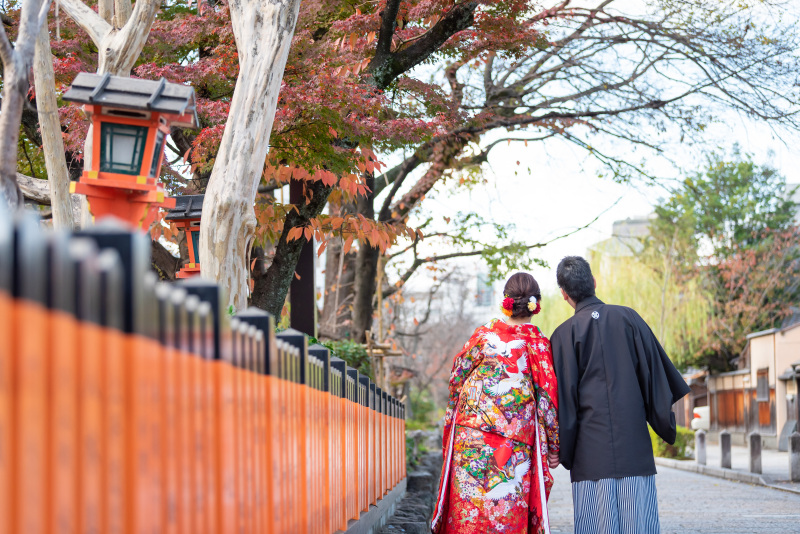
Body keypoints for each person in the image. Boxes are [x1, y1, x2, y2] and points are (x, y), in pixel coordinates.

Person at [550, 256, 690, 534]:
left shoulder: (562, 336)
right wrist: (663, 420)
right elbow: (655, 378)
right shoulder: (629, 319)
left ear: (564, 294)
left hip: (589, 456)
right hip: (633, 448)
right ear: (593, 282)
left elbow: (564, 403)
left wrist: (562, 450)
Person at [431, 272, 559, 534]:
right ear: (536, 304)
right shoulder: (537, 344)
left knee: (469, 506)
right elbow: (547, 399)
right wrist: (555, 443)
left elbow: (457, 378)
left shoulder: (483, 335)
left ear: (506, 301)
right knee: (505, 506)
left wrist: (451, 425)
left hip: (471, 436)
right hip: (514, 441)